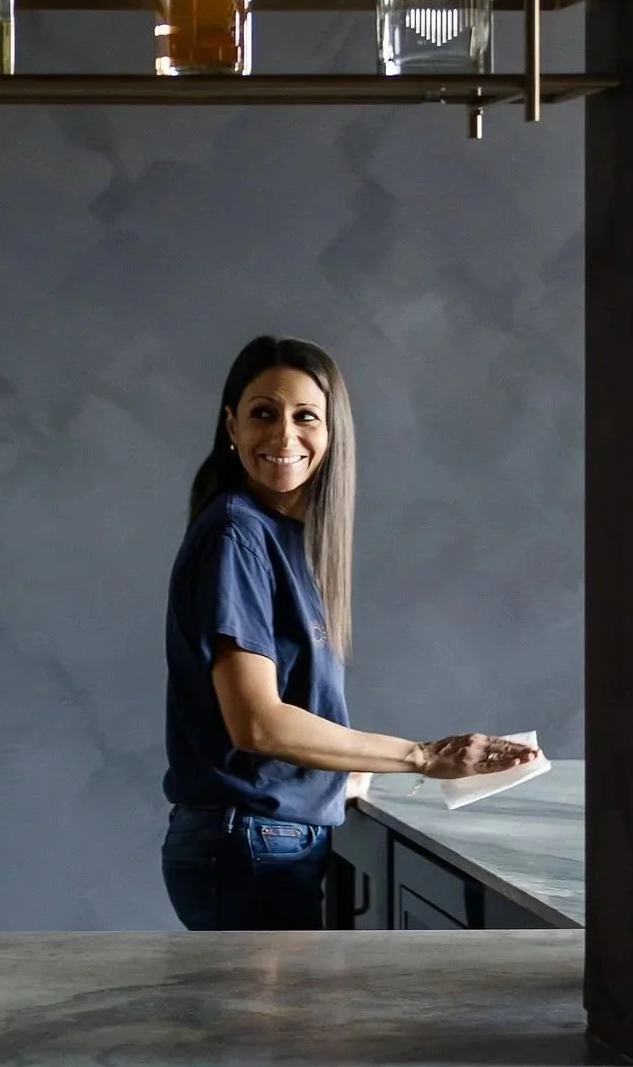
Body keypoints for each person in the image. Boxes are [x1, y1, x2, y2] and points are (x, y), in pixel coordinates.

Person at [161, 334, 537, 931]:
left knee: (278, 1027)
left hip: (269, 839)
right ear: (231, 425)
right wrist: (419, 756)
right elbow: (256, 722)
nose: (285, 436)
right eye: (263, 413)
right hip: (251, 846)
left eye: (306, 416)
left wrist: (347, 772)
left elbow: (285, 716)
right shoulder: (236, 535)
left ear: (331, 433)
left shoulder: (278, 537)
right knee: (273, 1029)